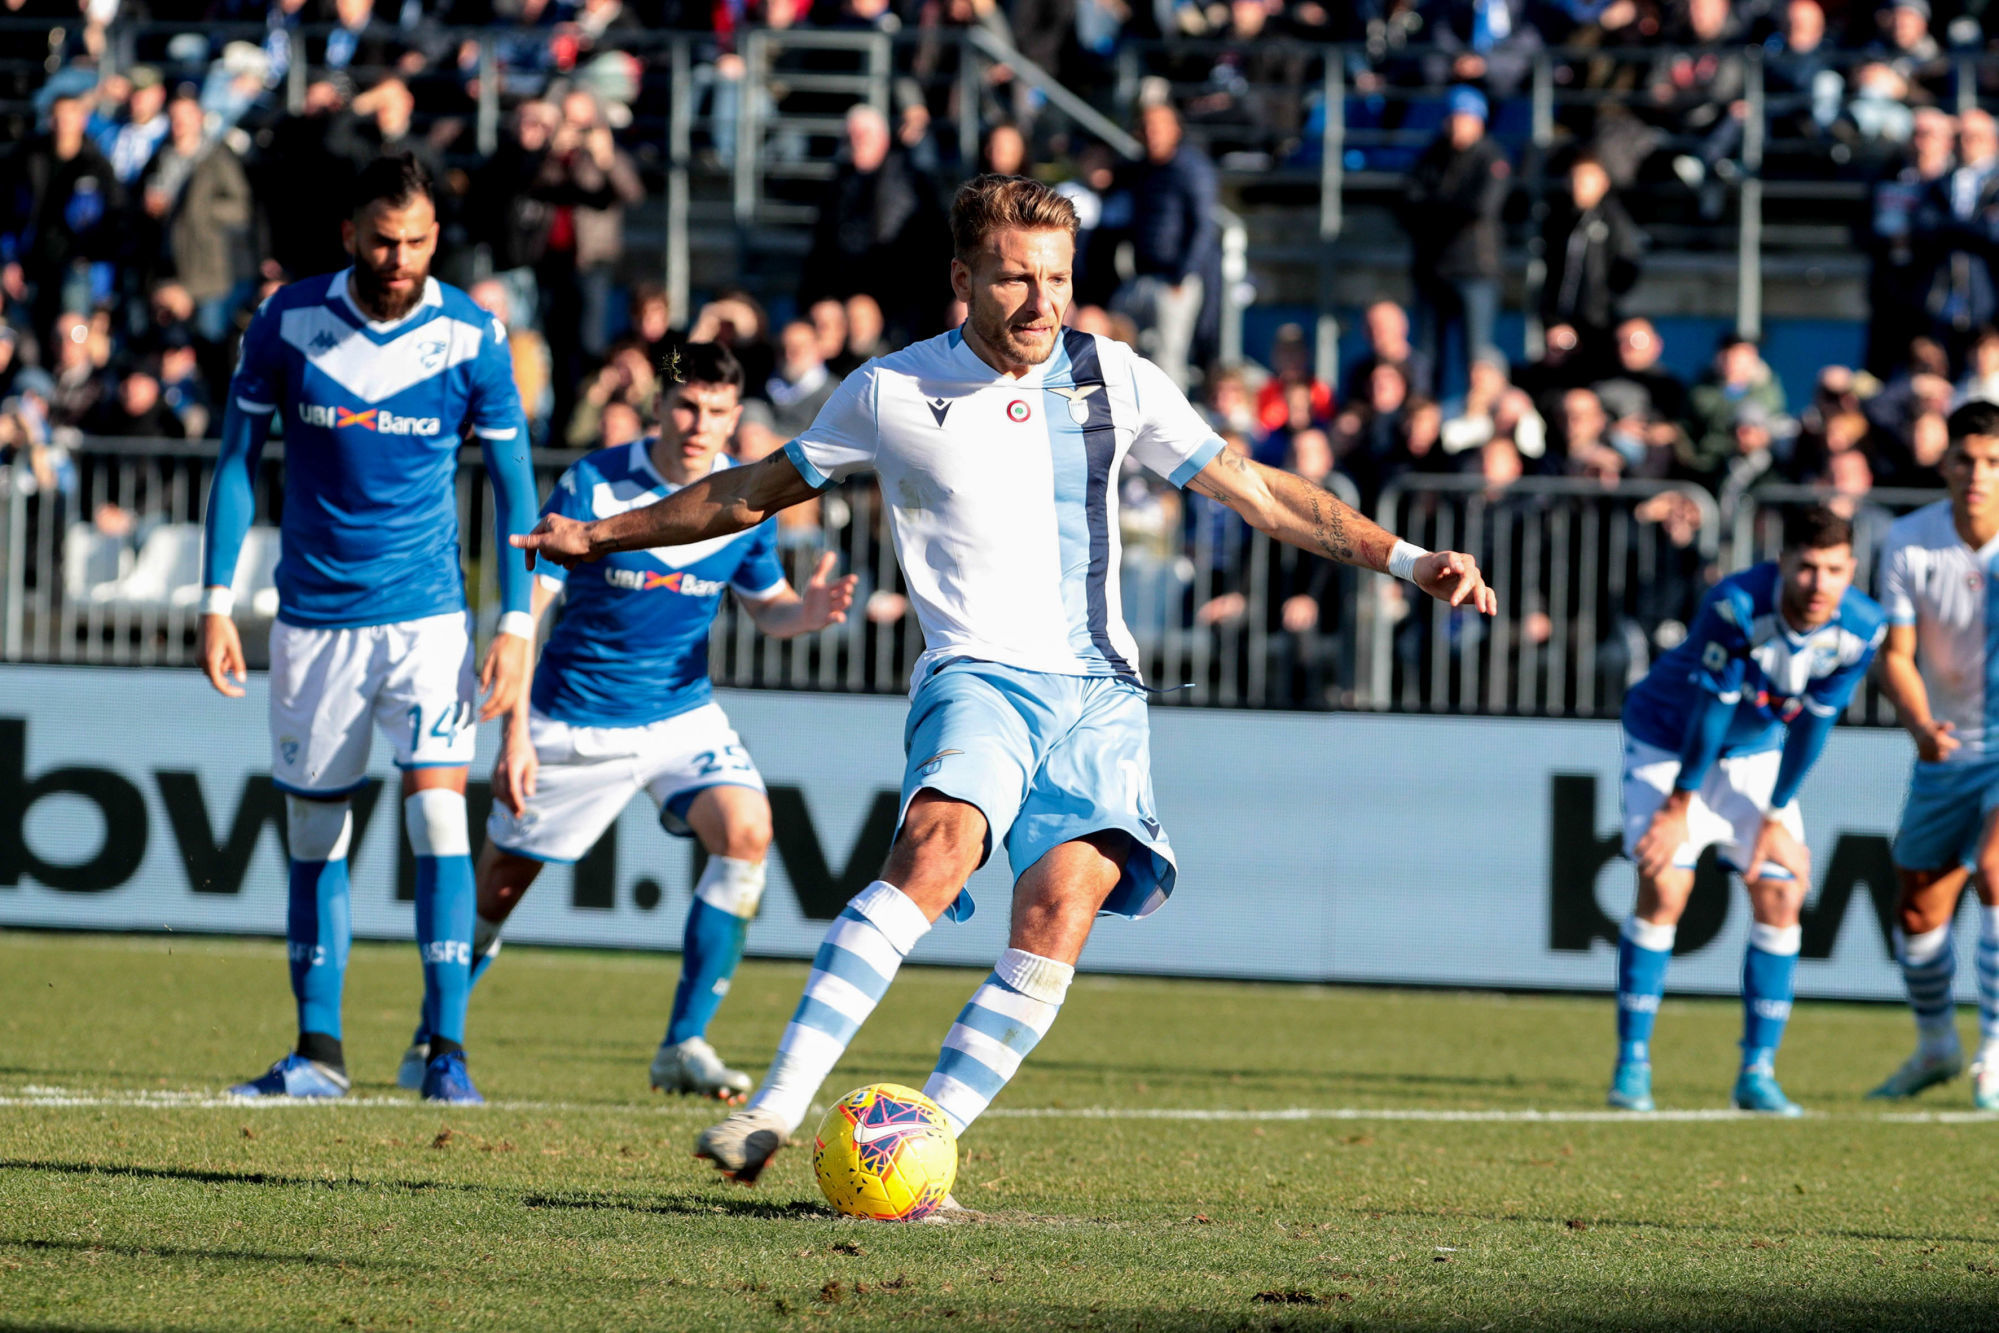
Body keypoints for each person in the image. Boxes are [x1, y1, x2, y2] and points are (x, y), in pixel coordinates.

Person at [513, 174, 1496, 1185]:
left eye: (1057, 279)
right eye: (1015, 279)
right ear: (962, 278)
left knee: (1059, 912)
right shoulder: (891, 391)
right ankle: (770, 1108)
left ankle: (911, 1144)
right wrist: (597, 533)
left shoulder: (1115, 374)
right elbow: (746, 493)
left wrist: (1408, 559)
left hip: (1100, 691)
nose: (1039, 303)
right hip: (976, 672)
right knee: (938, 851)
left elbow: (1254, 491)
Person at [388, 343, 859, 1098]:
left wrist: (802, 612)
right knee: (498, 890)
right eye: (685, 406)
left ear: (736, 415)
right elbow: (529, 609)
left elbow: (765, 604)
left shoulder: (744, 499)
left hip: (681, 716)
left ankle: (683, 1043)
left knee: (746, 831)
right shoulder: (596, 482)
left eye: (715, 411)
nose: (698, 424)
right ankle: (435, 1031)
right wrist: (512, 733)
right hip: (571, 719)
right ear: (658, 408)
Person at [198, 154, 538, 1106]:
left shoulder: (473, 335)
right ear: (351, 234)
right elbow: (236, 463)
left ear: (436, 240)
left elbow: (514, 489)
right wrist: (214, 600)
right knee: (315, 833)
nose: (400, 259)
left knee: (438, 816)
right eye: (384, 242)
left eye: (418, 243)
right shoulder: (286, 319)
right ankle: (318, 1051)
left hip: (428, 618)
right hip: (312, 621)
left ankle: (447, 1052)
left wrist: (514, 621)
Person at [1612, 505, 1885, 1116]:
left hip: (1756, 752)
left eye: (1835, 570)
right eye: (1807, 567)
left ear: (1852, 570)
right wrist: (1679, 806)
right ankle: (1633, 1063)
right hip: (1668, 741)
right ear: (1781, 561)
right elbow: (1709, 712)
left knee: (1783, 894)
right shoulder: (1736, 604)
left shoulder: (1864, 628)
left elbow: (1815, 725)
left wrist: (1776, 812)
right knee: (1665, 886)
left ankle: (1756, 1072)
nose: (1819, 584)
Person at [1869, 401, 1999, 1108]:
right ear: (1944, 462)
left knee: (1994, 869)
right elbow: (1895, 654)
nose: (1976, 474)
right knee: (1917, 911)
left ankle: (1994, 1054)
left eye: (1991, 462)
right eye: (1965, 459)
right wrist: (1918, 721)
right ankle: (1936, 1046)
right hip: (1946, 745)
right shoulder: (1908, 540)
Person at [1401, 86, 1508, 396]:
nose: (1456, 125)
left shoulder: (1491, 158)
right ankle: (1426, 417)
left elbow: (1479, 208)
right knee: (1427, 356)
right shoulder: (1432, 156)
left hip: (1475, 270)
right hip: (1432, 269)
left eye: (1464, 117)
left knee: (1476, 356)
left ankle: (1475, 417)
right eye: (1452, 117)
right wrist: (1446, 208)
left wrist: (1434, 209)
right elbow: (1406, 202)